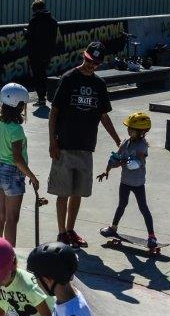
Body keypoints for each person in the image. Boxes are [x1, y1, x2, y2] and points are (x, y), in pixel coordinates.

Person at [48, 41, 122, 248]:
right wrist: (52, 142)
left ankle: (70, 229)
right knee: (63, 192)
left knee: (78, 192)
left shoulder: (99, 84)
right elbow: (54, 112)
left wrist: (117, 139)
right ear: (84, 56)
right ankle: (61, 233)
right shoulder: (68, 78)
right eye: (89, 61)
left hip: (86, 146)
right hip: (64, 145)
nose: (91, 65)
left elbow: (104, 115)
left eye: (95, 63)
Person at [96, 111, 158, 252]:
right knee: (121, 205)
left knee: (143, 208)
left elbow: (138, 162)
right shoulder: (125, 143)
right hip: (125, 181)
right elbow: (115, 158)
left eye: (132, 129)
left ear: (142, 132)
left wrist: (124, 162)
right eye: (129, 128)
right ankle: (113, 228)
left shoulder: (142, 145)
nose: (129, 131)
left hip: (138, 183)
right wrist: (107, 170)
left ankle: (152, 236)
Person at [0, 82, 39, 246]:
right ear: (19, 105)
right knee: (12, 218)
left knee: (0, 214)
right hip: (13, 174)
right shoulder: (16, 129)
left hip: (0, 171)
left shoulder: (1, 123)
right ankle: (10, 253)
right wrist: (31, 176)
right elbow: (18, 159)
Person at [25, 0, 60, 107]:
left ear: (35, 9)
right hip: (48, 53)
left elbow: (30, 37)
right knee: (43, 74)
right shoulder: (53, 21)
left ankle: (41, 99)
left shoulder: (34, 21)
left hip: (35, 53)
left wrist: (26, 32)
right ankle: (44, 97)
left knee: (38, 76)